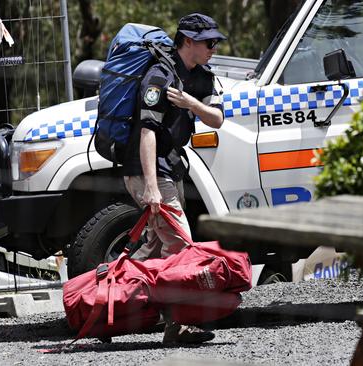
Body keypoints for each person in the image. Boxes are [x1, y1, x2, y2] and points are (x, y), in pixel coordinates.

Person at [122, 13, 226, 345]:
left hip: (172, 169)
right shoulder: (159, 75)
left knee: (154, 248)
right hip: (148, 171)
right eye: (209, 42)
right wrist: (151, 188)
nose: (213, 48)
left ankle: (107, 298)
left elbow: (218, 119)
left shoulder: (202, 77)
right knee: (180, 244)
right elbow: (147, 133)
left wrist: (190, 103)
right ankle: (176, 325)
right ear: (189, 41)